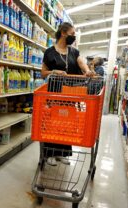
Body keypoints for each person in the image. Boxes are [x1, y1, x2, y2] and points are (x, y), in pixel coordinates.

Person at [41, 22, 95, 166]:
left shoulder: (74, 52)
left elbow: (81, 63)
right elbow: (42, 73)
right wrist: (54, 71)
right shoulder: (50, 52)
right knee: (53, 122)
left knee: (67, 122)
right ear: (63, 33)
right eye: (72, 34)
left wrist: (87, 71)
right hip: (54, 94)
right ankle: (49, 154)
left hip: (70, 94)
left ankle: (62, 153)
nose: (74, 36)